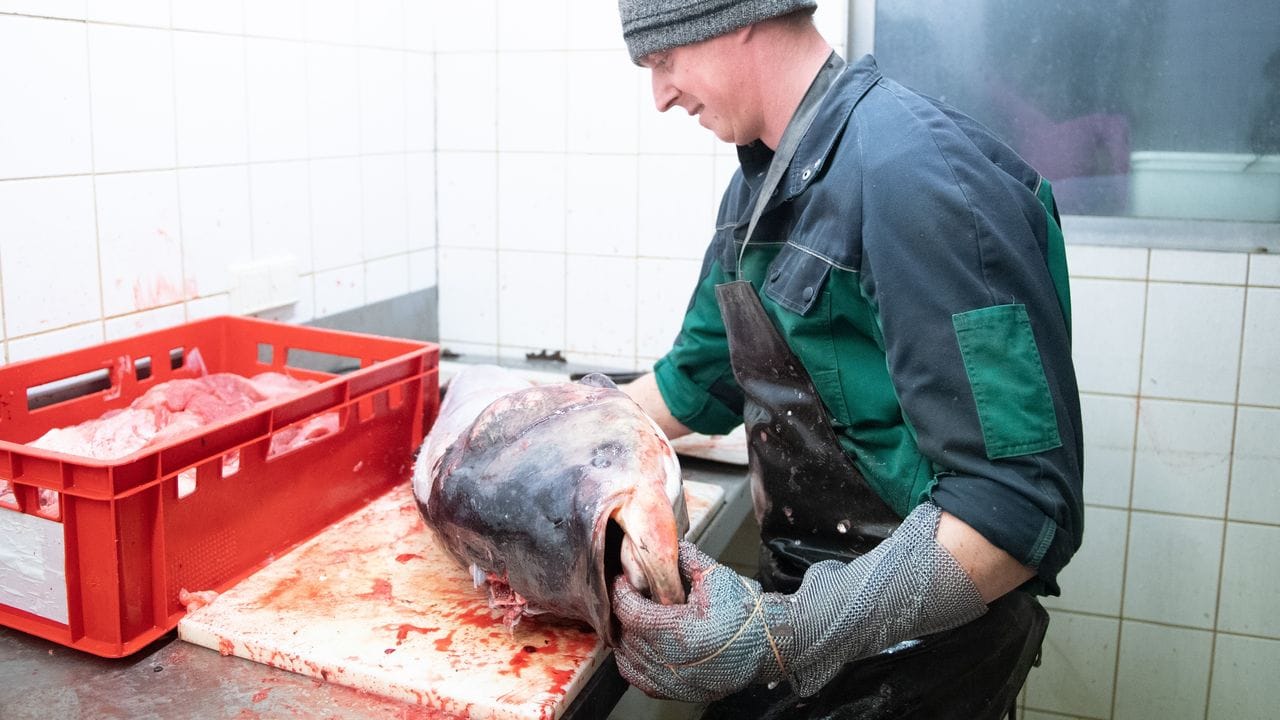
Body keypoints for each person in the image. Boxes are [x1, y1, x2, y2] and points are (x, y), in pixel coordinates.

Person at [609, 1, 1084, 718]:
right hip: (807, 616)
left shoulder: (920, 177)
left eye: (665, 59)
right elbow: (697, 380)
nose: (661, 95)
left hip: (927, 659)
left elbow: (1009, 511)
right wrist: (571, 425)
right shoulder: (755, 191)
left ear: (739, 18)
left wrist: (783, 635)